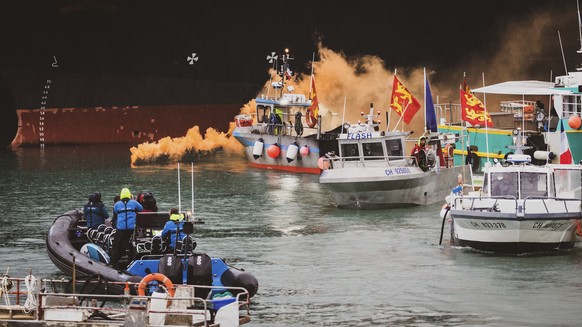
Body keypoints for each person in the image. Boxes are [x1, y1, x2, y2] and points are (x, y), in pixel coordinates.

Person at [109, 188, 143, 270]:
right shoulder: (134, 203)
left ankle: (113, 262)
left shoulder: (117, 204)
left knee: (116, 245)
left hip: (121, 229)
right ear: (129, 195)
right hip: (131, 228)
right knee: (131, 245)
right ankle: (131, 260)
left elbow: (115, 213)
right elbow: (141, 208)